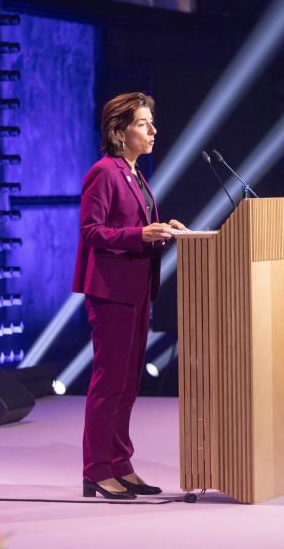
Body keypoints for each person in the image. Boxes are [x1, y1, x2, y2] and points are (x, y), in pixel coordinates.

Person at [72, 92, 187, 499]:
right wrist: (140, 234)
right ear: (119, 133)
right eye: (143, 123)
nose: (153, 129)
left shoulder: (134, 173)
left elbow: (134, 227)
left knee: (127, 385)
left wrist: (161, 229)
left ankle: (120, 463)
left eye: (151, 121)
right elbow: (91, 231)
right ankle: (96, 469)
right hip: (112, 292)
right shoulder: (104, 172)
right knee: (109, 384)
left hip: (136, 289)